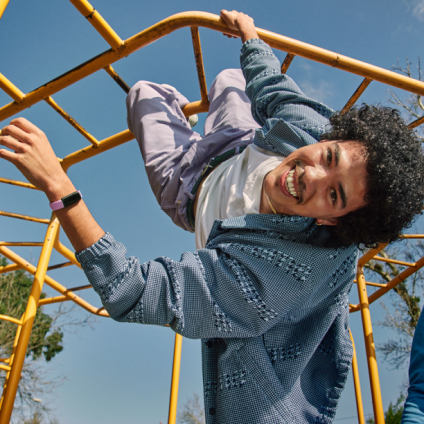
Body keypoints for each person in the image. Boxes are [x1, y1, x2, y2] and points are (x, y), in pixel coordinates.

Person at [0, 10, 423, 424]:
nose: (309, 175)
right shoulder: (314, 131)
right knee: (231, 79)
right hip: (236, 145)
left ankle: (176, 117)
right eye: (328, 157)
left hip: (187, 187)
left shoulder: (270, 278)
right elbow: (276, 89)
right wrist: (251, 37)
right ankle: (197, 114)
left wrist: (60, 187)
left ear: (335, 221)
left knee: (144, 93)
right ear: (333, 139)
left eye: (333, 194)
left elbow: (133, 291)